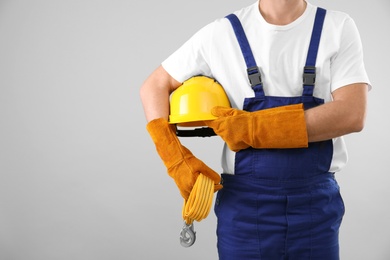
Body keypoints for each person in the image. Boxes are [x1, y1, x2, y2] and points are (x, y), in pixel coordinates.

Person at [140, 0, 370, 259]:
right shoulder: (222, 33)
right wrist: (176, 160)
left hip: (315, 208)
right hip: (245, 210)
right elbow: (155, 85)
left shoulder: (337, 27)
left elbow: (352, 114)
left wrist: (251, 128)